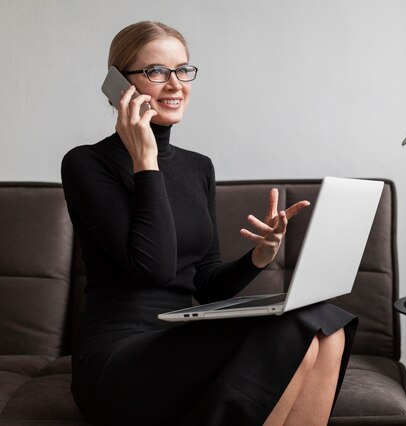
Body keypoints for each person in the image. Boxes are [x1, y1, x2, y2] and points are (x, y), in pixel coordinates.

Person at [61, 21, 357, 426]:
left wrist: (259, 256)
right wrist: (145, 159)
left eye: (182, 70)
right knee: (293, 332)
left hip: (180, 341)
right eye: (156, 72)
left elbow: (205, 283)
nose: (174, 84)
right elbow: (154, 268)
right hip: (118, 355)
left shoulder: (198, 167)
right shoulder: (85, 163)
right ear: (118, 85)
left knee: (326, 327)